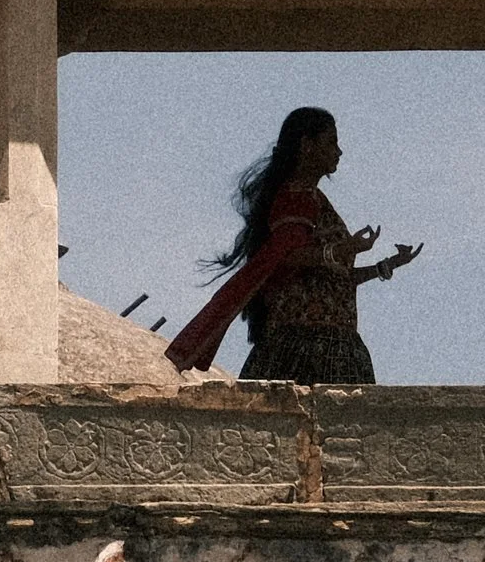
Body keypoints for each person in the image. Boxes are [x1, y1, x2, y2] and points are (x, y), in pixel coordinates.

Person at [165, 108, 420, 380]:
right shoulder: (294, 197)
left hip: (338, 344)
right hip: (302, 347)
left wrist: (383, 266)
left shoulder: (314, 199)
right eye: (331, 141)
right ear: (307, 145)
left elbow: (333, 278)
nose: (339, 151)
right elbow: (286, 257)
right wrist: (342, 250)